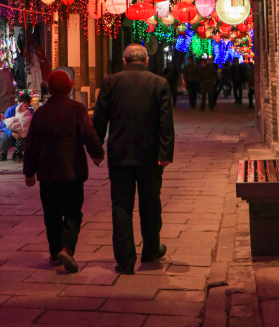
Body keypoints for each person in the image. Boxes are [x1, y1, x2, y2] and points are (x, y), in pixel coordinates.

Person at [93, 44, 174, 275]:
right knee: (150, 204)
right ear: (146, 61)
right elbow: (165, 122)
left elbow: (100, 119)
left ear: (124, 60)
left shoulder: (110, 83)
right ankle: (150, 249)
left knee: (121, 206)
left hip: (120, 155)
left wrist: (96, 148)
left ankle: (125, 260)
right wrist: (165, 153)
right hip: (150, 156)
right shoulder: (159, 83)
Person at [24, 70, 104, 273]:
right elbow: (88, 133)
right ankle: (67, 249)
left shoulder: (41, 113)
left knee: (51, 214)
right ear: (69, 87)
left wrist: (29, 172)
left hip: (47, 174)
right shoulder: (77, 109)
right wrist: (97, 154)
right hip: (72, 173)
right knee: (72, 213)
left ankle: (54, 252)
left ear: (49, 89)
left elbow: (31, 144)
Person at [0, 93, 31, 161]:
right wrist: (12, 133)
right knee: (5, 138)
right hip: (5, 133)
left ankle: (18, 153)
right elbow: (4, 125)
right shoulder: (11, 110)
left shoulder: (29, 113)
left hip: (21, 135)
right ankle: (4, 152)